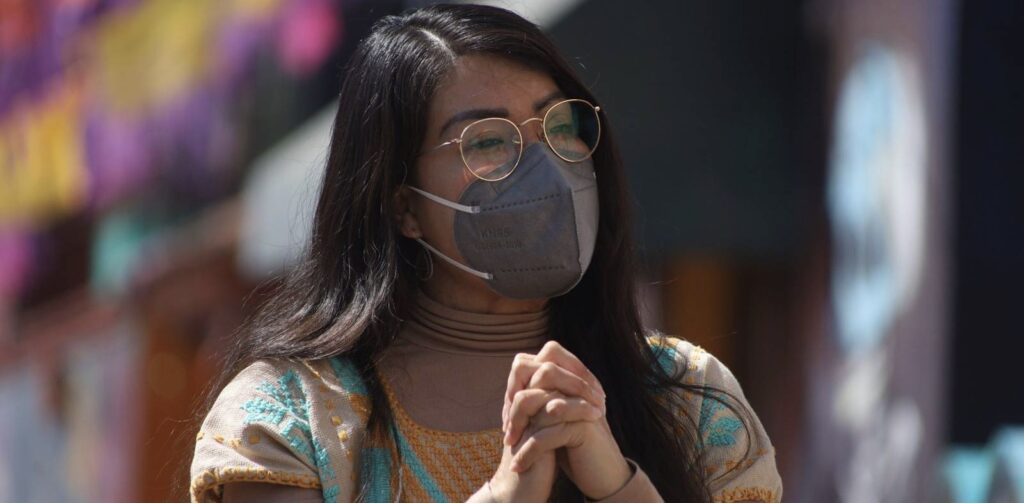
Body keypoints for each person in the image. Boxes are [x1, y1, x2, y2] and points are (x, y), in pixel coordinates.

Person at [189, 4, 782, 502]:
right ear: (403, 206)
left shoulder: (688, 399)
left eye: (560, 126)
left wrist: (618, 485)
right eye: (489, 141)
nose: (546, 167)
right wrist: (504, 495)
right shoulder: (290, 417)